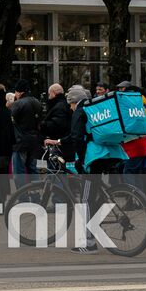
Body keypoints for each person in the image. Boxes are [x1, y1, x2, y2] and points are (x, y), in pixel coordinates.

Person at [51, 83, 126, 252]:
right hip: (108, 153)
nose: (70, 108)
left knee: (85, 201)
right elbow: (83, 134)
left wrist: (81, 161)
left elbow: (77, 137)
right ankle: (97, 219)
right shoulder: (92, 108)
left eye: (70, 104)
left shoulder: (79, 111)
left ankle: (89, 242)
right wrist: (59, 141)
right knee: (94, 195)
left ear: (73, 101)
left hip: (94, 159)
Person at [9, 80, 44, 182]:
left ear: (19, 92)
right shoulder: (37, 102)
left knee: (19, 172)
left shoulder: (18, 104)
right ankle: (35, 194)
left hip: (20, 142)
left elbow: (12, 122)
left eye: (15, 91)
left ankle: (22, 196)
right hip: (34, 141)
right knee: (33, 169)